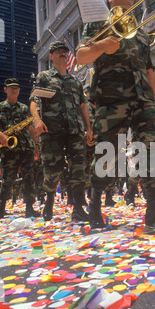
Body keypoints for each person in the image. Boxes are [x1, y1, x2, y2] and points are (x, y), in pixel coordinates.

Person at [76, 0, 155, 229]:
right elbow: (82, 56)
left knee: (153, 150)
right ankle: (94, 207)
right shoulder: (97, 24)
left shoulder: (140, 30)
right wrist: (101, 45)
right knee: (108, 153)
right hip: (111, 98)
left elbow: (149, 70)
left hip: (143, 99)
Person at [30, 41, 92, 222]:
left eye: (64, 51)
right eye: (57, 51)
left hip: (74, 131)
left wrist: (88, 128)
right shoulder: (45, 77)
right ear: (51, 56)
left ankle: (79, 208)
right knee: (53, 170)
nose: (62, 53)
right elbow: (34, 101)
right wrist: (37, 120)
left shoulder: (75, 81)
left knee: (79, 168)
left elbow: (82, 106)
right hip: (52, 131)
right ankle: (49, 200)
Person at [0, 78, 39, 218]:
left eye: (16, 88)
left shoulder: (23, 108)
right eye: (11, 88)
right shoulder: (0, 107)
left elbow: (30, 128)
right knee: (8, 179)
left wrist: (36, 146)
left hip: (25, 147)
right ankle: (1, 208)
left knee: (29, 177)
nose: (14, 90)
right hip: (8, 149)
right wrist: (2, 137)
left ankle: (29, 208)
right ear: (5, 90)